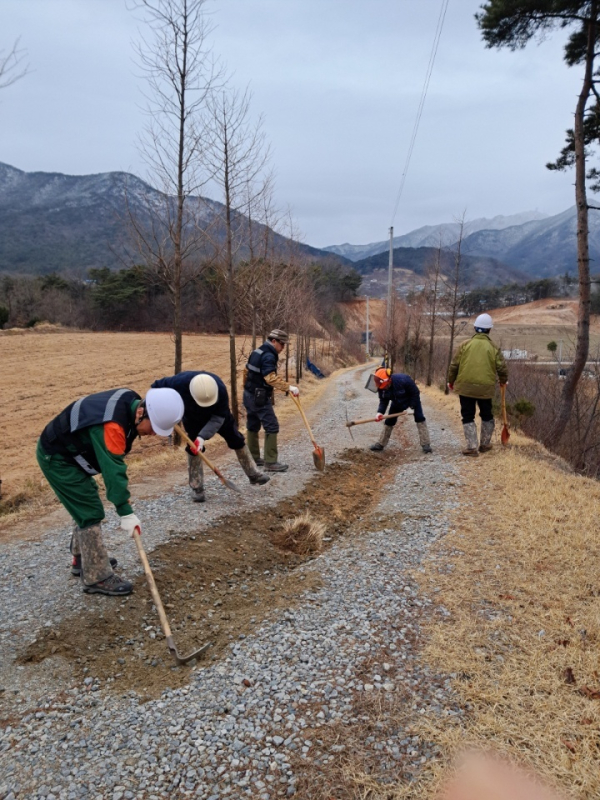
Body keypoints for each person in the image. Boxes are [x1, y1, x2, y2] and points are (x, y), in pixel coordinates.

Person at [36, 387, 184, 596]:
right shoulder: (112, 426)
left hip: (71, 453)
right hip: (57, 458)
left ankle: (82, 560)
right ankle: (96, 577)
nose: (153, 434)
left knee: (85, 501)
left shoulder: (130, 402)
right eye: (153, 428)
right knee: (90, 511)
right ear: (142, 412)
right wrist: (125, 511)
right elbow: (113, 471)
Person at [151, 370, 269, 503]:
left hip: (218, 416)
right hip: (192, 418)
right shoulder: (179, 382)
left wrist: (202, 437)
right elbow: (155, 387)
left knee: (236, 439)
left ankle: (253, 474)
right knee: (193, 449)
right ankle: (197, 487)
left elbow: (218, 419)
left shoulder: (220, 389)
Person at [447, 312, 508, 457]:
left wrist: (451, 381)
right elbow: (502, 367)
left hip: (466, 387)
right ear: (489, 329)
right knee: (487, 414)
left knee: (467, 415)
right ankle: (485, 444)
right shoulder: (493, 347)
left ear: (475, 328)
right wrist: (503, 380)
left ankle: (472, 447)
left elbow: (454, 365)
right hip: (485, 388)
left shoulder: (464, 345)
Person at [243, 329, 300, 472]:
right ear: (274, 341)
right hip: (259, 397)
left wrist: (248, 389)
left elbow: (246, 371)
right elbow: (270, 378)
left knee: (253, 424)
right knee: (272, 426)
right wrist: (289, 387)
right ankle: (270, 462)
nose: (283, 348)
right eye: (282, 344)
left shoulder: (257, 351)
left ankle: (253, 457)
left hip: (248, 394)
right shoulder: (269, 355)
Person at [369, 367, 432, 453]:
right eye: (382, 387)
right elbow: (383, 400)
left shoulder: (403, 380)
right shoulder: (380, 386)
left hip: (412, 401)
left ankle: (426, 444)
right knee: (389, 422)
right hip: (396, 403)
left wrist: (412, 406)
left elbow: (415, 393)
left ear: (389, 380)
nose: (383, 388)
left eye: (385, 386)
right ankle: (380, 444)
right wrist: (380, 412)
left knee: (420, 418)